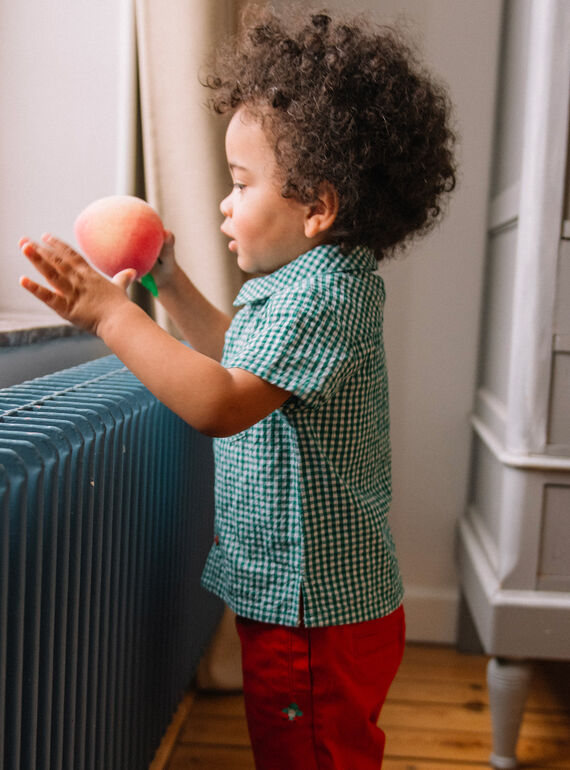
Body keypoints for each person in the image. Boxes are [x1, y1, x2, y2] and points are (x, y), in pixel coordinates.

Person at [20, 6, 456, 767]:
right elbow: (240, 367)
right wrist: (171, 281)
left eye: (242, 183)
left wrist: (110, 318)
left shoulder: (324, 295)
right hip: (301, 605)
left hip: (312, 615)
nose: (225, 201)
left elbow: (220, 403)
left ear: (317, 207)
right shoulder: (302, 284)